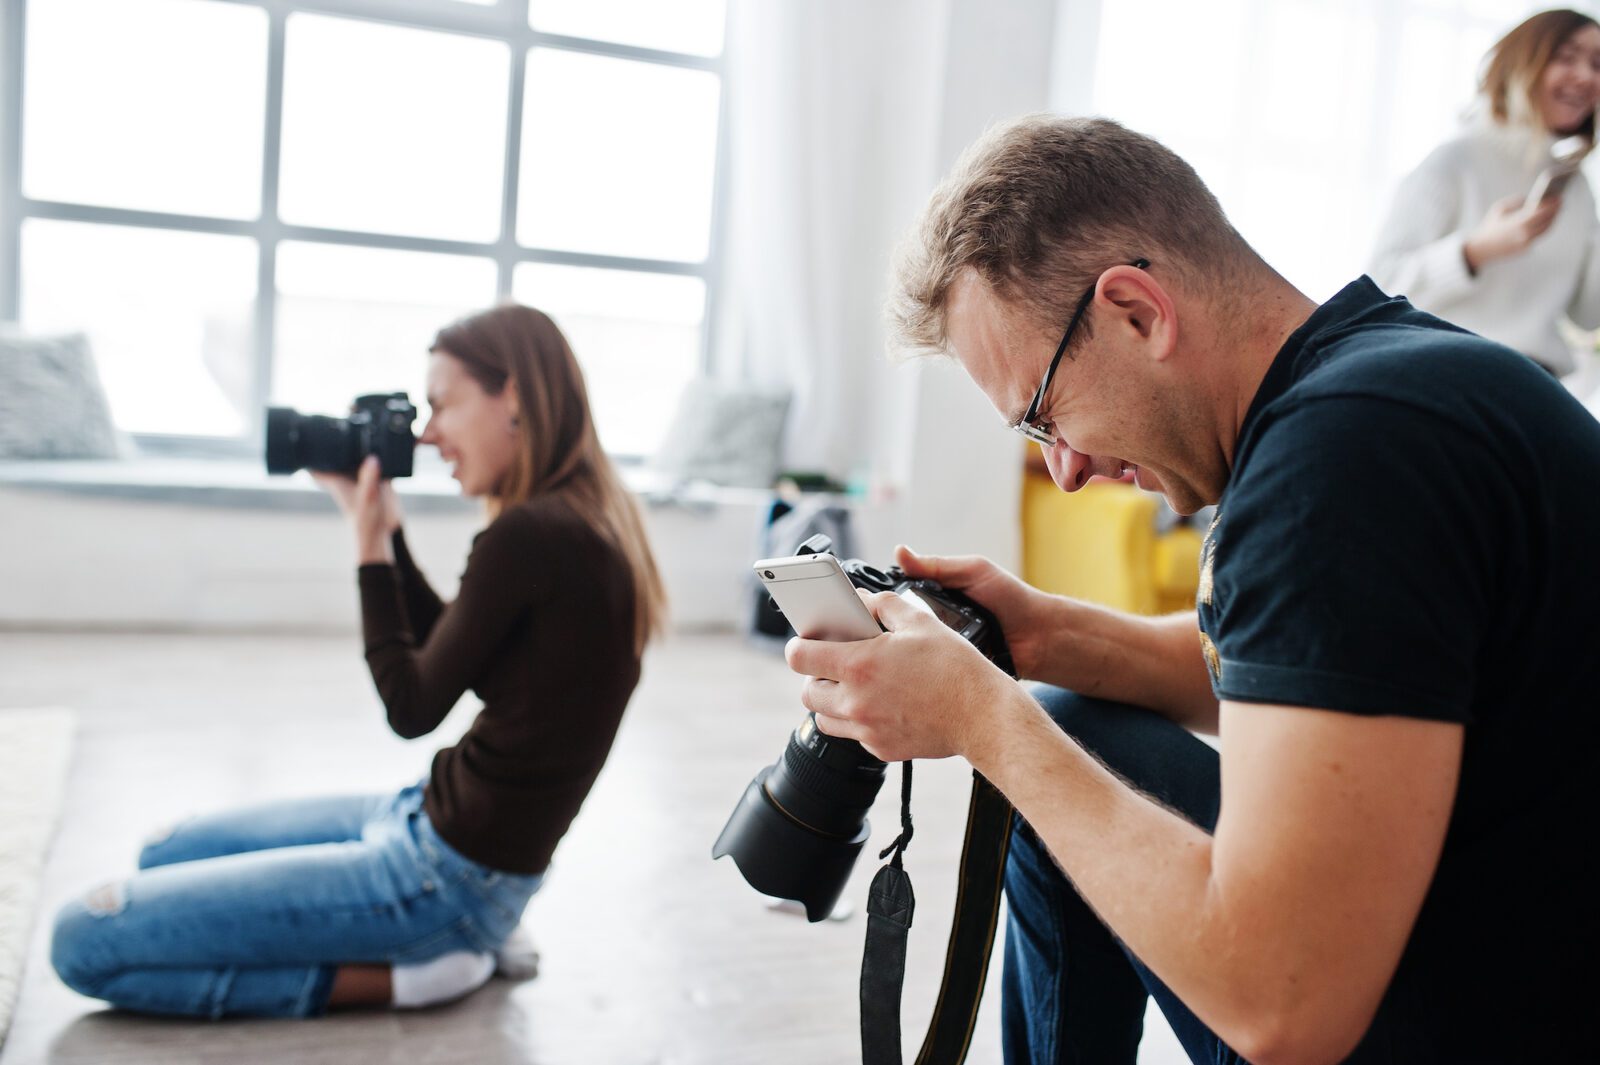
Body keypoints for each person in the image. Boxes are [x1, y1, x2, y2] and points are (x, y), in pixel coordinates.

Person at [784, 115, 1598, 1063]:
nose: (1067, 469)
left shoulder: (1337, 464)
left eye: (1045, 414)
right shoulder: (1391, 382)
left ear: (1136, 310)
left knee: (1050, 750)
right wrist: (1039, 632)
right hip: (1517, 937)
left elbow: (1285, 1004)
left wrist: (984, 720)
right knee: (1074, 722)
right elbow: (1302, 673)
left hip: (1477, 1009)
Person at [50, 304, 666, 1018]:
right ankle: (464, 938)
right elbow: (469, 656)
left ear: (516, 396)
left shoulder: (531, 534)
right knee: (166, 849)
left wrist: (368, 546)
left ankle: (424, 971)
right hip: (429, 818)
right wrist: (383, 527)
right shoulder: (582, 523)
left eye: (441, 405)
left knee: (82, 938)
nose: (428, 434)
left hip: (445, 880)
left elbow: (411, 705)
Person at [1370, 8, 1600, 377]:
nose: (1587, 77)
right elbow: (1381, 285)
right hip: (1444, 373)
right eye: (1567, 57)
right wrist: (1477, 249)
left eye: (1597, 64)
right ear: (1523, 63)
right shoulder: (1454, 161)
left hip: (1535, 385)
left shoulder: (1577, 189)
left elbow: (1588, 316)